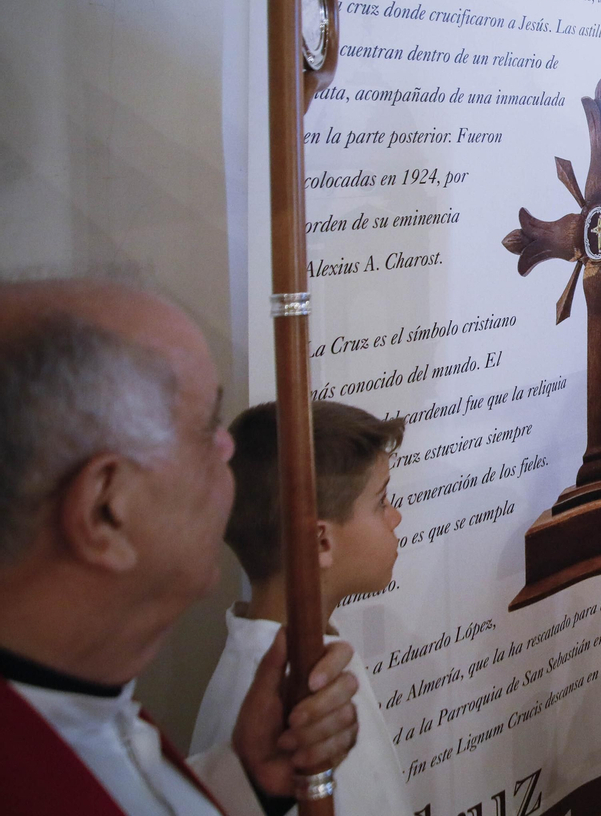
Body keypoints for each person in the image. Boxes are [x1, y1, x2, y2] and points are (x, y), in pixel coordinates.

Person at [0, 279, 361, 816]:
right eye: (206, 428)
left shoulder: (87, 707)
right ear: (106, 511)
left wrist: (248, 783)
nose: (228, 446)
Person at [191, 400, 410, 816]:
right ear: (320, 542)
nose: (395, 517)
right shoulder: (280, 705)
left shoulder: (306, 654)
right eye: (381, 502)